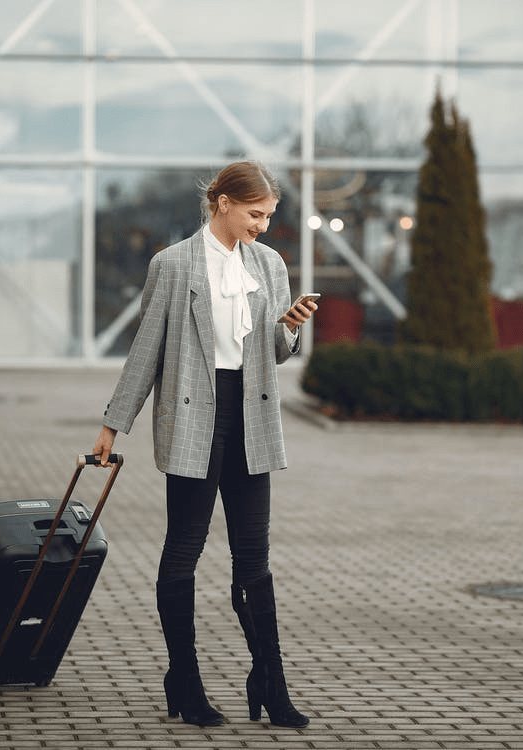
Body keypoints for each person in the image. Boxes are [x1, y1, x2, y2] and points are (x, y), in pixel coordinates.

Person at [93, 161, 317, 729]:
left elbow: (276, 351)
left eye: (269, 215)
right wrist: (112, 425)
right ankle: (184, 681)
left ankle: (270, 681)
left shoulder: (269, 265)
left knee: (254, 558)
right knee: (184, 549)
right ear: (221, 202)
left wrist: (288, 325)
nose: (263, 226)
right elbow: (145, 351)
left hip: (252, 416)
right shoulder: (171, 265)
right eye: (255, 214)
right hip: (194, 415)